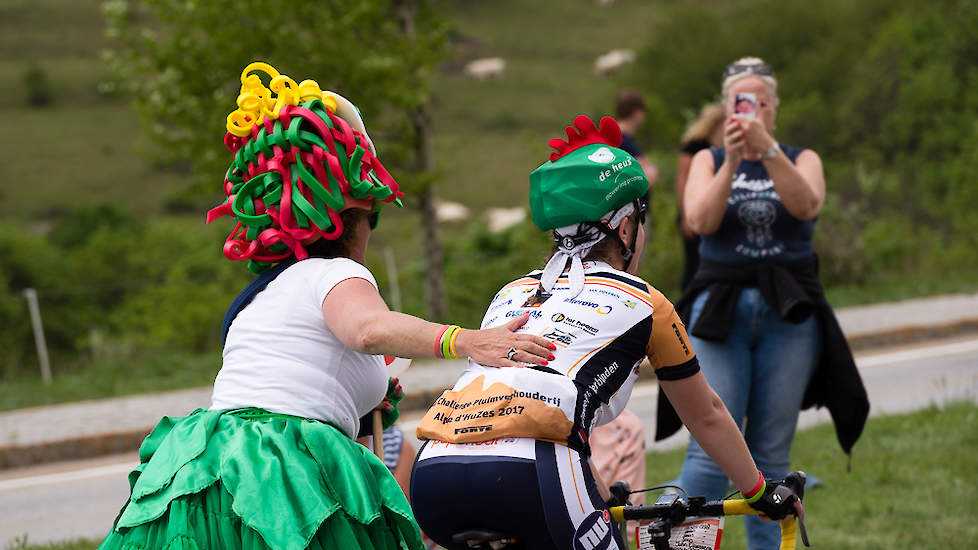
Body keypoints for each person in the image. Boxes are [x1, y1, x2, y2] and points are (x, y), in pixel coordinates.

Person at [97, 62, 554, 550]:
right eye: (370, 220)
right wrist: (468, 340)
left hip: (209, 462)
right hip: (277, 466)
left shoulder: (261, 296)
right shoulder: (338, 272)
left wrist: (365, 397)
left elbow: (303, 375)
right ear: (354, 221)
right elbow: (367, 329)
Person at [410, 115, 803, 550]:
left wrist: (594, 485)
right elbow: (705, 413)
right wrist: (759, 490)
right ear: (625, 227)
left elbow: (519, 411)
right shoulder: (644, 300)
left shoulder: (513, 292)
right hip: (530, 475)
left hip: (433, 472)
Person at [659, 57, 869, 550]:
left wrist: (768, 151)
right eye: (739, 102)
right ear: (726, 107)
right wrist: (733, 159)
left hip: (788, 313)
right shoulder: (709, 160)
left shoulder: (802, 158)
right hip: (720, 313)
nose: (748, 111)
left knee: (771, 455)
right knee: (710, 447)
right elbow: (701, 222)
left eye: (758, 102)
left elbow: (807, 206)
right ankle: (678, 544)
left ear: (773, 109)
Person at [676, 103, 725, 289]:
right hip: (693, 209)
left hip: (713, 211)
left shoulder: (723, 147)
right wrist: (686, 215)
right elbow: (683, 178)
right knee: (694, 263)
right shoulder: (695, 145)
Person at [615, 89, 660, 190]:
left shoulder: (615, 137)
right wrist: (653, 170)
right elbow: (644, 178)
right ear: (637, 112)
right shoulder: (624, 141)